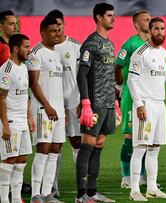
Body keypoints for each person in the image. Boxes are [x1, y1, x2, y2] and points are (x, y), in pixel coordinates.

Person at [128, 17, 166, 201]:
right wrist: (139, 104)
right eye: (156, 29)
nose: (160, 32)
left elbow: (162, 76)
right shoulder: (140, 53)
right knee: (140, 148)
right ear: (149, 30)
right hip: (145, 105)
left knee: (154, 149)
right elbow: (132, 80)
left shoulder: (163, 52)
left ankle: (152, 188)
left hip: (159, 105)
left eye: (163, 29)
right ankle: (134, 191)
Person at [76, 3, 121, 203]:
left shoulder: (110, 44)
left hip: (108, 103)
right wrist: (85, 102)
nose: (113, 19)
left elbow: (109, 75)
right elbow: (82, 74)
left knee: (99, 145)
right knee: (87, 146)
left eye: (113, 15)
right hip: (94, 104)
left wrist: (116, 100)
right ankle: (80, 196)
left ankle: (92, 192)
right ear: (98, 17)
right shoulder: (91, 43)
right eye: (109, 15)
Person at [27, 16, 64, 203]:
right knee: (43, 149)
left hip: (59, 110)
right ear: (42, 32)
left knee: (55, 149)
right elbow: (33, 83)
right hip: (44, 109)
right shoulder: (36, 53)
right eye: (52, 31)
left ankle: (48, 193)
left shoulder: (57, 53)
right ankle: (35, 194)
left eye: (58, 30)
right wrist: (47, 106)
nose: (57, 34)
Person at [46, 9, 82, 197]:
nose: (58, 29)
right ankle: (53, 187)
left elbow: (84, 76)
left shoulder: (76, 46)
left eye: (60, 24)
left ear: (64, 24)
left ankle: (81, 188)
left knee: (77, 142)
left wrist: (83, 100)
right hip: (53, 105)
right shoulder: (43, 49)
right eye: (55, 26)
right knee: (55, 145)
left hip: (74, 102)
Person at [115, 10, 151, 189]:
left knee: (145, 136)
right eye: (146, 20)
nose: (149, 21)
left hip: (149, 96)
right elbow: (118, 65)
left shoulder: (153, 44)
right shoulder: (130, 44)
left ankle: (142, 174)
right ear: (137, 25)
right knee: (130, 136)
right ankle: (126, 176)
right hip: (132, 95)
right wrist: (120, 85)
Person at [0, 33, 34, 203]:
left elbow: (25, 95)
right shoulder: (6, 70)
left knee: (22, 160)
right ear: (15, 48)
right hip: (11, 121)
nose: (29, 50)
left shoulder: (23, 67)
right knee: (9, 160)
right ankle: (5, 200)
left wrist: (29, 117)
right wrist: (5, 124)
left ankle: (16, 199)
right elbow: (1, 98)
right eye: (26, 47)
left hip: (22, 121)